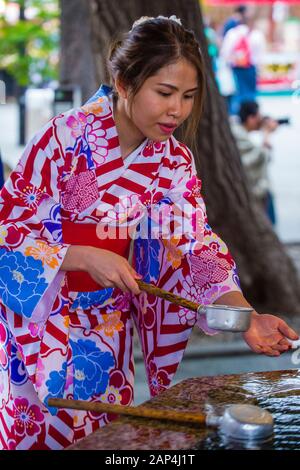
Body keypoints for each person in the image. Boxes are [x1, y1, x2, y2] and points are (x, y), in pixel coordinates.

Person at [0, 16, 298, 450]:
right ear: (123, 83)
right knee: (40, 436)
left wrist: (243, 316)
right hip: (42, 320)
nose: (177, 109)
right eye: (164, 93)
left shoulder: (173, 162)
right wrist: (82, 255)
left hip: (107, 323)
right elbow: (9, 227)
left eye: (188, 97)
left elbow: (193, 245)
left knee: (106, 437)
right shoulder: (62, 138)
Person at [230, 101, 278, 224]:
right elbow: (255, 160)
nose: (260, 122)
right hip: (255, 193)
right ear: (251, 118)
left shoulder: (237, 131)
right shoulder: (237, 134)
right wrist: (266, 135)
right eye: (259, 117)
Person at [220, 16, 266, 115]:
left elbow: (225, 52)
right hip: (251, 67)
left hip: (236, 68)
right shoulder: (256, 34)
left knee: (238, 92)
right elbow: (260, 53)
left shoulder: (232, 33)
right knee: (251, 92)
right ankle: (252, 114)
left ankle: (241, 114)